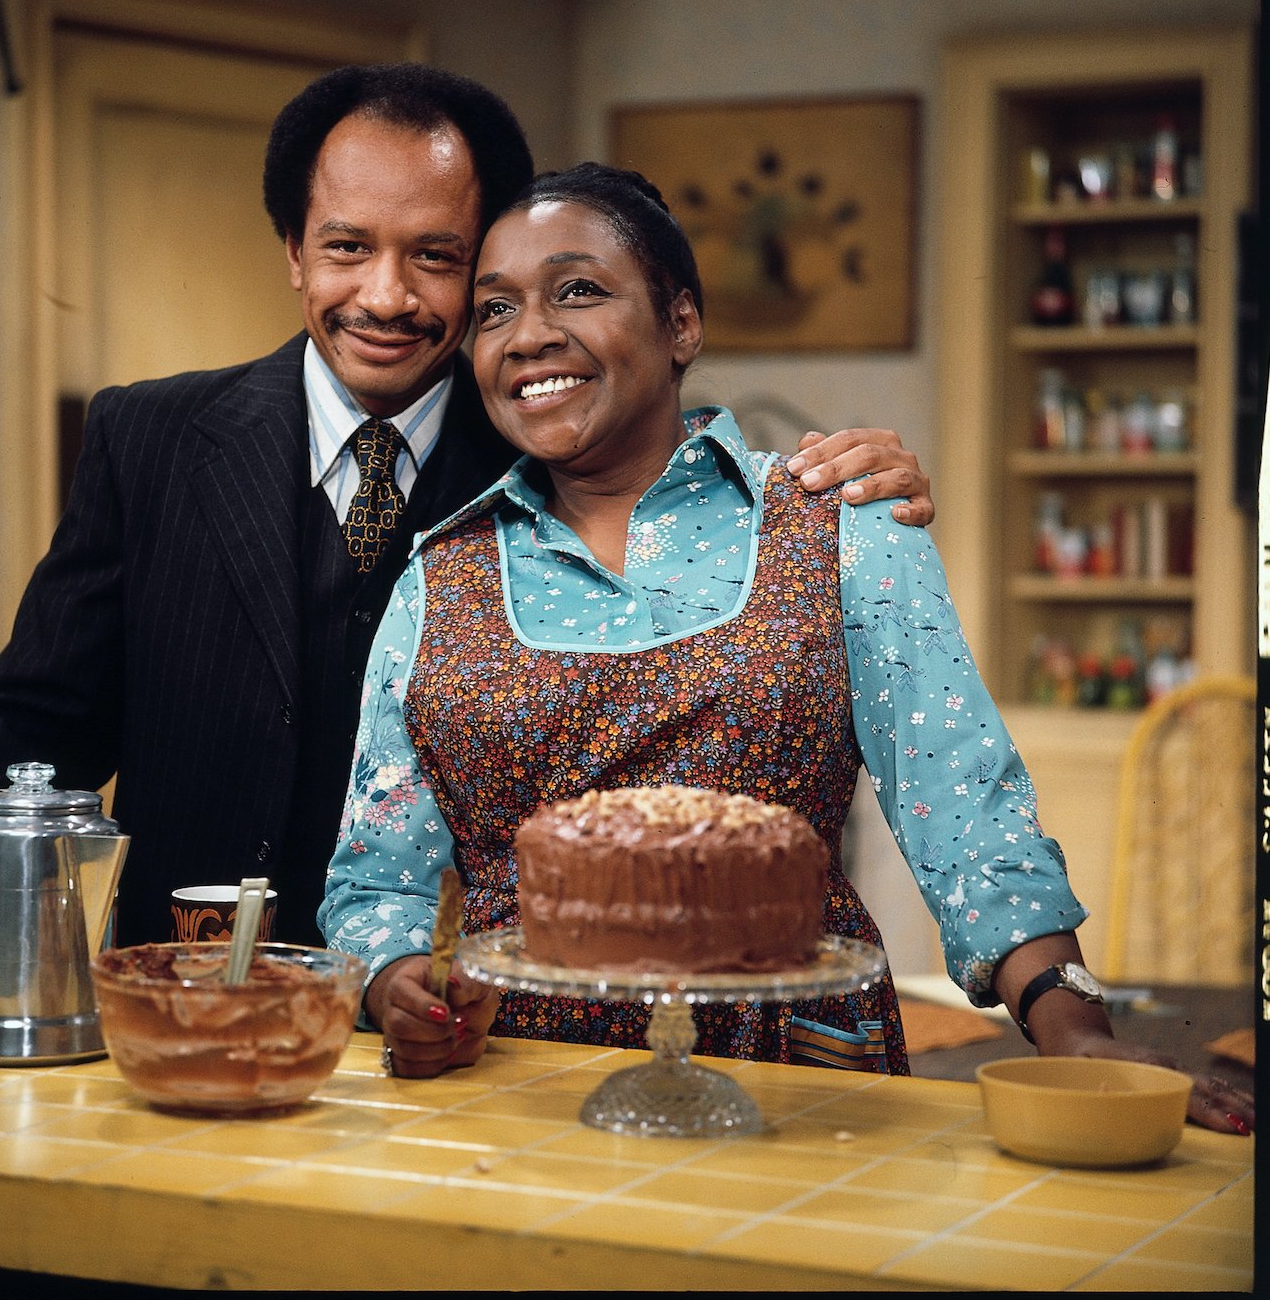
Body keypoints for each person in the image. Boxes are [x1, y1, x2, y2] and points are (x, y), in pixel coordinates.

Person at [0, 66, 933, 1050]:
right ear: (294, 250)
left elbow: (692, 487)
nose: (384, 296)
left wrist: (840, 477)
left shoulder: (557, 452)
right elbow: (33, 726)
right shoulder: (150, 441)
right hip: (184, 1009)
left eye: (435, 256)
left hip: (448, 1034)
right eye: (346, 247)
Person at [319, 162, 1253, 1136]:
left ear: (682, 322)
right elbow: (376, 874)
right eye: (494, 309)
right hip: (523, 1089)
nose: (529, 335)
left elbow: (965, 813)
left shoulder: (841, 524)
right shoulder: (440, 575)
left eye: (579, 290)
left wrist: (1074, 1025)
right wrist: (403, 994)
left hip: (804, 1079)